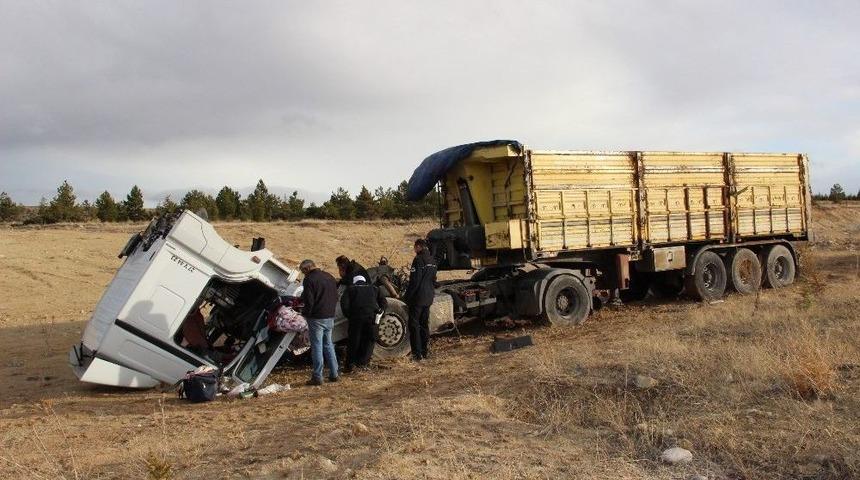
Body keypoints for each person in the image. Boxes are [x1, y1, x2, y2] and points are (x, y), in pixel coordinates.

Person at [299, 259, 339, 385]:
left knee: (317, 346)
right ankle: (334, 374)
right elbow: (336, 296)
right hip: (330, 315)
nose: (303, 275)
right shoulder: (329, 276)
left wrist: (304, 313)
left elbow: (309, 301)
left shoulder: (309, 280)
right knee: (328, 345)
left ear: (306, 269)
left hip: (316, 317)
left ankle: (318, 376)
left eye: (303, 272)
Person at [340, 274, 387, 372]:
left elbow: (344, 305)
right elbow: (384, 302)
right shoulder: (374, 288)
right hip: (372, 318)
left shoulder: (350, 289)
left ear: (355, 282)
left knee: (354, 341)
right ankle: (363, 363)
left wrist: (350, 316)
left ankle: (350, 365)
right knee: (369, 340)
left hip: (356, 318)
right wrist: (381, 312)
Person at [402, 238, 437, 361]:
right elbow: (434, 280)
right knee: (424, 325)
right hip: (428, 297)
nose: (414, 250)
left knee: (414, 325)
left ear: (419, 247)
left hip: (418, 298)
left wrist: (406, 297)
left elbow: (414, 281)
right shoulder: (432, 260)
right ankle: (425, 351)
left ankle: (417, 354)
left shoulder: (418, 260)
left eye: (414, 247)